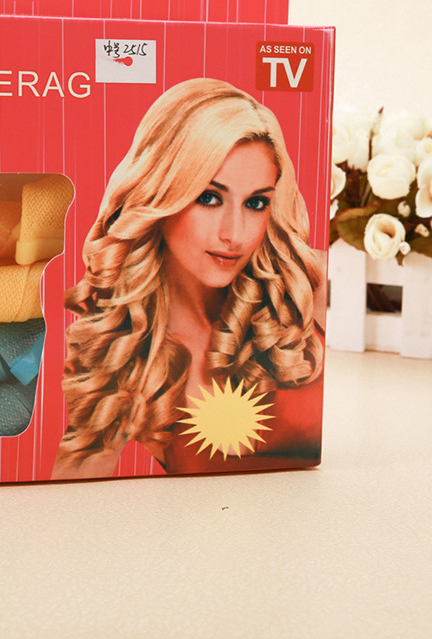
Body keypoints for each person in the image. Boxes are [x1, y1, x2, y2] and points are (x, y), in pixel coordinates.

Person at [52, 78, 325, 479]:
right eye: (209, 198)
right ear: (160, 193)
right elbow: (73, 491)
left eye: (256, 203)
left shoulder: (303, 294)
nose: (235, 234)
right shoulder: (123, 356)